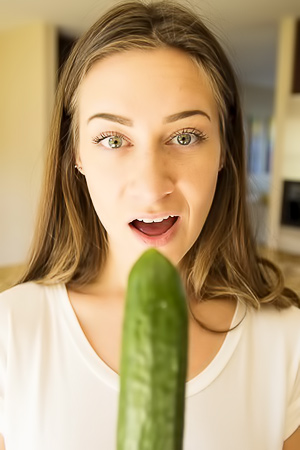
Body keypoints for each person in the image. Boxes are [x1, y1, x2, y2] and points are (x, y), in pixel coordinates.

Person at [0, 1, 299, 448]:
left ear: (223, 152)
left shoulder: (287, 344)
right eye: (113, 139)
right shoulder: (9, 333)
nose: (151, 186)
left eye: (184, 136)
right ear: (76, 154)